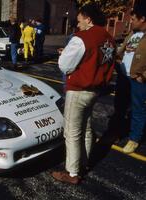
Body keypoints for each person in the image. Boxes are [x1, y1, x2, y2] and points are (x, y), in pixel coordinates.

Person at [51, 3, 116, 184]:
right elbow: (95, 59)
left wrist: (64, 55)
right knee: (86, 128)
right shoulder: (109, 38)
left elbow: (65, 65)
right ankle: (84, 162)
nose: (77, 25)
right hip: (95, 90)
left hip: (79, 90)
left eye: (79, 21)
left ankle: (72, 173)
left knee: (71, 132)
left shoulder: (82, 37)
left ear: (88, 19)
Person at [121, 1, 146, 154]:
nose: (131, 21)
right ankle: (118, 132)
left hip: (138, 80)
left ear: (142, 18)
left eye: (133, 18)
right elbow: (123, 50)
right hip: (124, 76)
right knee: (121, 106)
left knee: (138, 109)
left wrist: (143, 76)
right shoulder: (132, 33)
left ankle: (134, 139)